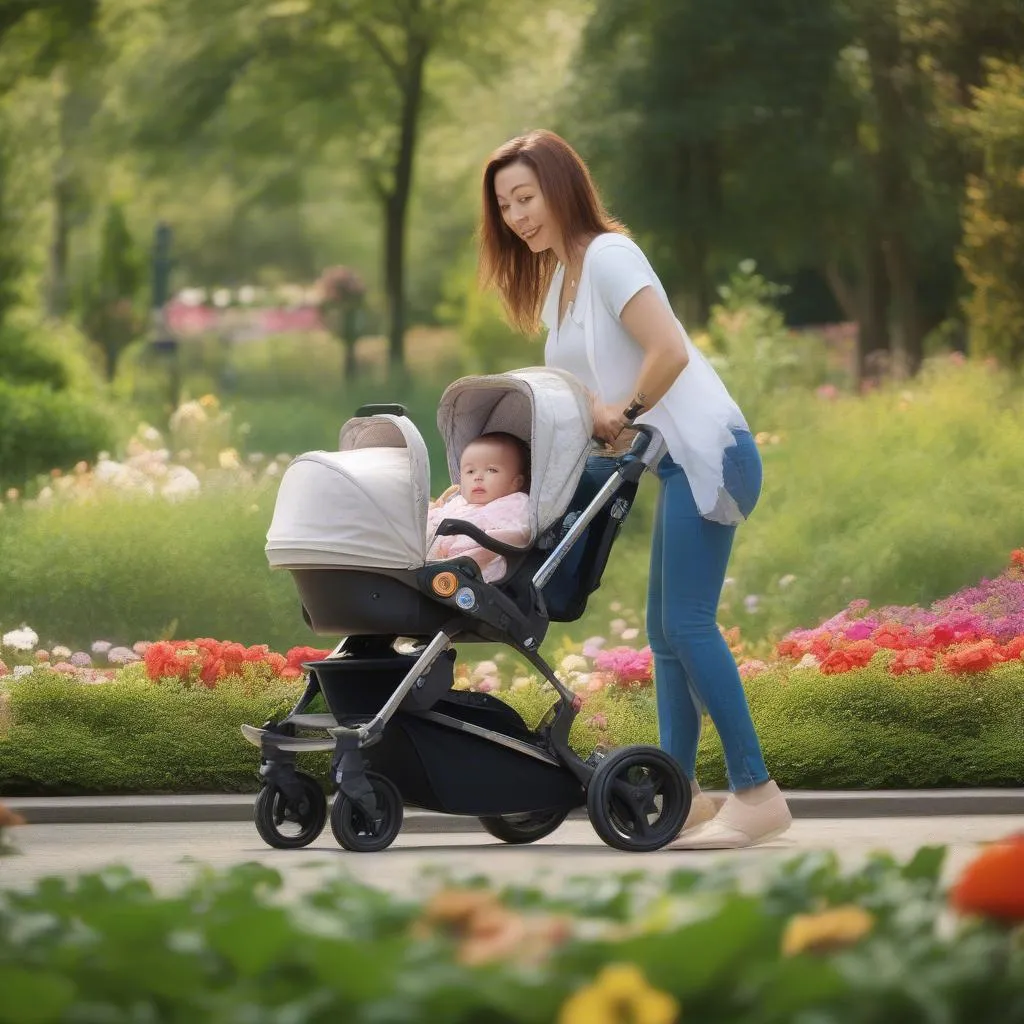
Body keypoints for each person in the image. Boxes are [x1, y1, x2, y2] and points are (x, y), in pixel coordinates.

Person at [478, 129, 792, 850]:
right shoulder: (561, 281)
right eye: (505, 205)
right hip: (669, 461)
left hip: (710, 452)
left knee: (686, 624)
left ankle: (757, 792)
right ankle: (678, 795)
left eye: (526, 197)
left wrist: (625, 413)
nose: (517, 215)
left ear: (561, 188)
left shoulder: (610, 256)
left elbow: (668, 352)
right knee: (664, 634)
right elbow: (583, 395)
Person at [427, 432, 532, 584]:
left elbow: (516, 536)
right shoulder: (459, 502)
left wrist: (454, 551)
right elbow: (437, 517)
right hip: (434, 563)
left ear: (516, 482)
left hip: (474, 572)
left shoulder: (513, 503)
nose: (478, 477)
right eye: (470, 471)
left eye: (491, 470)